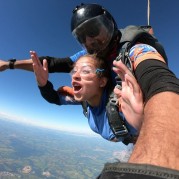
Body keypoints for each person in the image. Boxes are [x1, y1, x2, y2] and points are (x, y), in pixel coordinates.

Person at [1, 2, 179, 175]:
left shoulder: (135, 50)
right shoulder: (88, 74)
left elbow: (160, 81)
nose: (88, 41)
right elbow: (50, 66)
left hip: (145, 133)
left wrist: (156, 161)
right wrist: (11, 66)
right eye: (81, 37)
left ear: (109, 24)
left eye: (93, 30)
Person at [30, 50, 143, 143]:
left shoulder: (121, 105)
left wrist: (142, 123)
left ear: (102, 82)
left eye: (85, 71)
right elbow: (54, 98)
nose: (75, 76)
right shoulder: (85, 101)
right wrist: (43, 84)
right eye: (74, 71)